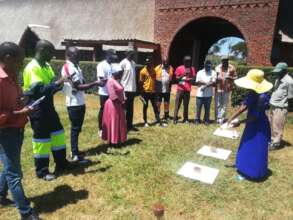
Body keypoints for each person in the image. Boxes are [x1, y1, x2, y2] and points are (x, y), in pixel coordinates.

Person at [0, 42, 40, 220]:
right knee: (14, 173)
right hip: (6, 131)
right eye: (19, 61)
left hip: (17, 129)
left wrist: (22, 99)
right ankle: (25, 212)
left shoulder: (12, 75)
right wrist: (21, 112)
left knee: (9, 167)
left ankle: (0, 195)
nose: (21, 65)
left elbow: (12, 101)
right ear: (7, 58)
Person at [23, 40, 69, 181]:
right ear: (42, 50)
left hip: (48, 107)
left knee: (58, 134)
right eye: (51, 52)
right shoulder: (32, 68)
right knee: (42, 140)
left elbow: (51, 87)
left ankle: (61, 164)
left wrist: (58, 85)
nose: (53, 55)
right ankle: (42, 171)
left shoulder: (47, 66)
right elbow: (39, 91)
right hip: (38, 109)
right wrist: (57, 83)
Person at [227, 69, 273, 181]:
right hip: (252, 124)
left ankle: (254, 172)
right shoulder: (252, 93)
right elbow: (244, 106)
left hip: (259, 126)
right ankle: (244, 169)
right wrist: (231, 118)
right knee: (246, 145)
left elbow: (254, 117)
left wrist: (239, 122)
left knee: (255, 148)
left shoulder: (262, 98)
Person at [62, 47, 105, 162]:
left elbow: (82, 83)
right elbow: (78, 86)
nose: (78, 56)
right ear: (69, 55)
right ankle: (74, 154)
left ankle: (75, 150)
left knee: (78, 128)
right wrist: (96, 83)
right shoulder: (68, 67)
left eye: (79, 54)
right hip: (73, 103)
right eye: (76, 55)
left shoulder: (76, 66)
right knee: (75, 129)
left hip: (80, 101)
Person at [269, 62, 293, 150]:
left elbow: (291, 97)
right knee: (271, 124)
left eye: (279, 71)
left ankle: (276, 143)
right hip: (273, 105)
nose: (277, 73)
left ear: (284, 71)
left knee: (277, 126)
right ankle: (272, 140)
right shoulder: (278, 78)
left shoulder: (289, 81)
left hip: (281, 107)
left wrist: (288, 109)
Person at [102, 64, 127, 145]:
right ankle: (113, 141)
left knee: (119, 122)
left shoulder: (116, 80)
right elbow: (113, 96)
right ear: (115, 72)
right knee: (114, 122)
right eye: (120, 73)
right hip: (113, 104)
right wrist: (121, 102)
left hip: (118, 104)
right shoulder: (110, 81)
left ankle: (118, 139)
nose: (121, 74)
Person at [97, 49, 116, 137]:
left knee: (110, 111)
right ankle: (100, 128)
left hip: (111, 92)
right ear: (107, 56)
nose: (113, 59)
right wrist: (111, 80)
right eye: (112, 57)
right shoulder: (101, 65)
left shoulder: (111, 65)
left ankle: (108, 127)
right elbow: (102, 80)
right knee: (103, 110)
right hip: (104, 92)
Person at [173, 56, 196, 124]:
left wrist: (190, 79)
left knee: (186, 105)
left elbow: (194, 79)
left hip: (187, 89)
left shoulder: (192, 69)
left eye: (189, 61)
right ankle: (175, 119)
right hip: (180, 89)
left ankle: (185, 119)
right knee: (177, 104)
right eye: (186, 61)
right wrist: (183, 75)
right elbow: (176, 79)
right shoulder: (179, 68)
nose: (188, 62)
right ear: (184, 61)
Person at [139, 57, 161, 127]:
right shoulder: (142, 71)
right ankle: (145, 121)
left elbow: (154, 80)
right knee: (145, 106)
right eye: (147, 64)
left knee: (155, 106)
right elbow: (140, 82)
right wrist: (141, 93)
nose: (149, 65)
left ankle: (158, 120)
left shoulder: (153, 70)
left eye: (150, 63)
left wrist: (155, 89)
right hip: (145, 92)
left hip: (153, 92)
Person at [215, 56, 237, 124]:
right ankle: (219, 118)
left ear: (228, 60)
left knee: (224, 104)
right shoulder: (217, 67)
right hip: (218, 88)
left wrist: (230, 77)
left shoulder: (232, 68)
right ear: (221, 61)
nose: (225, 62)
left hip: (227, 88)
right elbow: (214, 77)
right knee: (218, 104)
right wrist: (216, 79)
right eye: (224, 60)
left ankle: (221, 118)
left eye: (226, 60)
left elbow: (236, 77)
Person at [120, 51, 137, 131]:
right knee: (124, 108)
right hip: (125, 89)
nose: (132, 56)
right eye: (131, 54)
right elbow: (119, 76)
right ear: (127, 54)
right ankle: (123, 126)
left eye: (133, 54)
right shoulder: (123, 63)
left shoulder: (133, 63)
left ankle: (129, 125)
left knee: (131, 108)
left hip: (132, 89)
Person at [195, 60, 216, 125]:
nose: (208, 67)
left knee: (207, 108)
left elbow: (213, 82)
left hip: (208, 95)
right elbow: (197, 82)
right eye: (206, 66)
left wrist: (204, 86)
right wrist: (206, 83)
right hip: (199, 94)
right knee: (198, 108)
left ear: (211, 66)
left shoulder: (213, 72)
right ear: (204, 65)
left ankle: (206, 120)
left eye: (209, 66)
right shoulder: (200, 72)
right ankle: (197, 120)